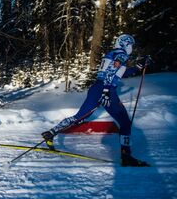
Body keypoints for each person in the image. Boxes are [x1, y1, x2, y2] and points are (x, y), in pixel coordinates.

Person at [41, 34, 152, 167]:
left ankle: (51, 133)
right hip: (107, 90)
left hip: (96, 88)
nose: (131, 48)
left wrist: (138, 67)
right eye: (131, 45)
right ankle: (126, 156)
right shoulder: (121, 53)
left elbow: (118, 73)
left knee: (79, 117)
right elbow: (111, 72)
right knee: (125, 122)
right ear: (125, 44)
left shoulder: (112, 53)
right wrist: (106, 92)